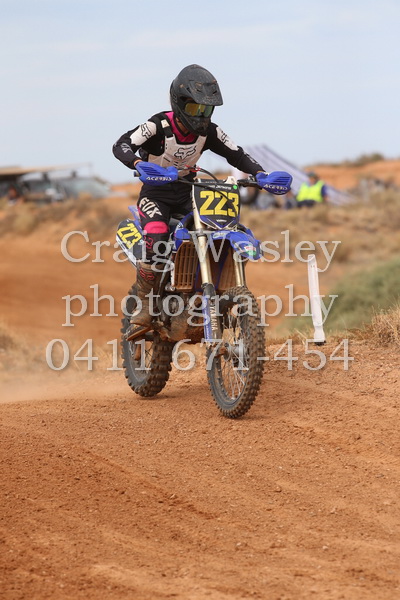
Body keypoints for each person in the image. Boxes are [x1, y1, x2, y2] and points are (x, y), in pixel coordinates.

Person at [112, 64, 273, 336]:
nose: (201, 115)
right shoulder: (157, 126)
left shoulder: (209, 132)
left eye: (206, 110)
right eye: (195, 108)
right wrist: (138, 164)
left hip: (190, 192)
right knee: (156, 237)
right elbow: (121, 144)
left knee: (221, 230)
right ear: (179, 102)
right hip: (156, 194)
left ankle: (208, 291)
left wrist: (260, 174)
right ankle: (145, 304)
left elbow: (237, 154)